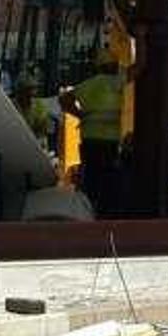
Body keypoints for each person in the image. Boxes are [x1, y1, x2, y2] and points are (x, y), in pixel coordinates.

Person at [60, 49, 125, 216]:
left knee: (91, 177)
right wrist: (140, 36)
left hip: (89, 138)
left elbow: (64, 98)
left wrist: (79, 114)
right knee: (109, 178)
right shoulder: (115, 82)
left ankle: (89, 209)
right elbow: (140, 67)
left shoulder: (88, 84)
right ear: (112, 65)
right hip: (108, 140)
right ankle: (106, 211)